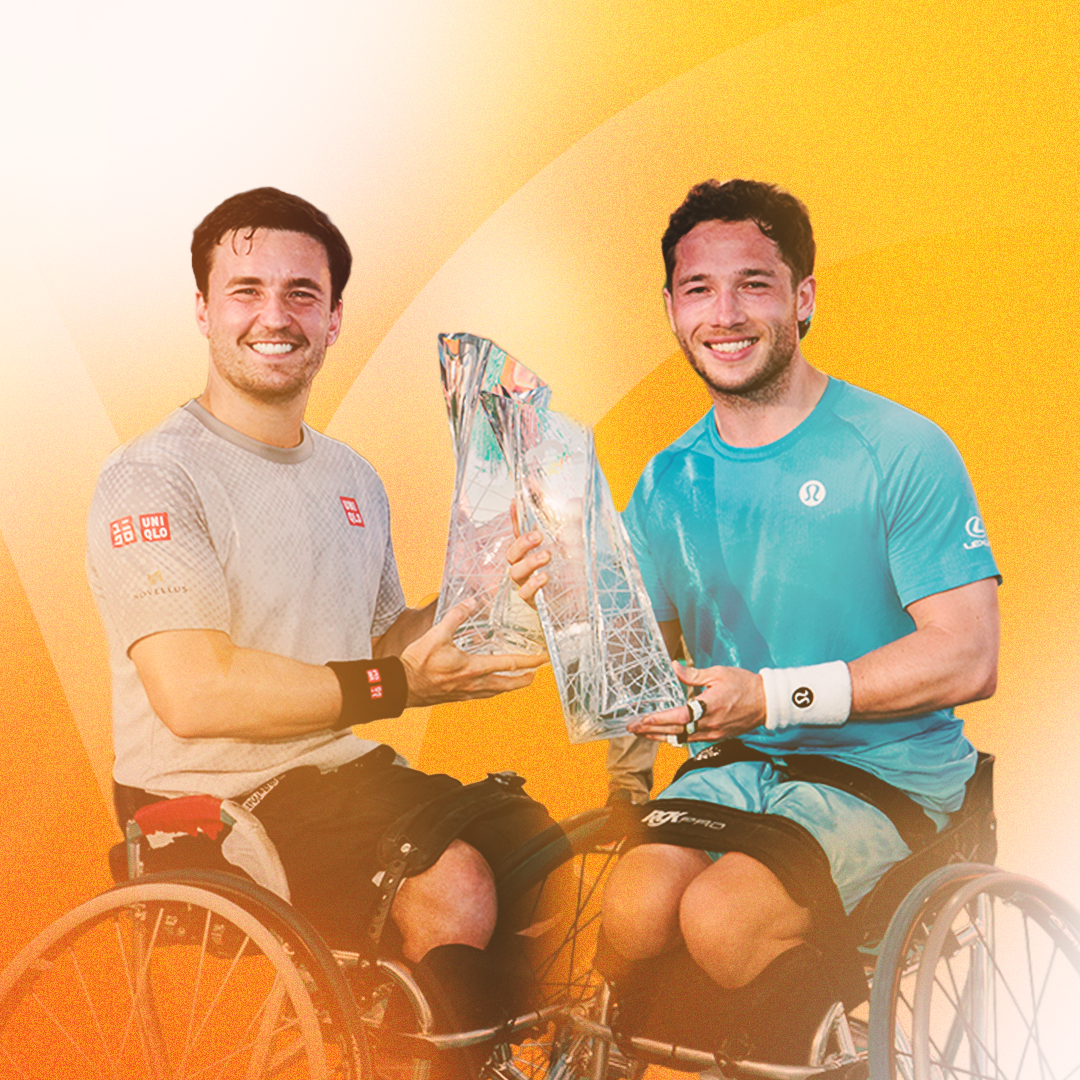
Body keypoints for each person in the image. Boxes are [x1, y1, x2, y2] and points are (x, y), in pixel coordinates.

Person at [508, 178, 1000, 1061]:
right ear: (670, 308)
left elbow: (966, 657)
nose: (724, 314)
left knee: (724, 918)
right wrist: (565, 600)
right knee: (631, 904)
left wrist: (772, 697)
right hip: (735, 762)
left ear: (802, 298)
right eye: (699, 289)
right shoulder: (667, 479)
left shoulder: (897, 449)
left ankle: (844, 1057)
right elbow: (638, 670)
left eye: (754, 284)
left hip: (888, 768)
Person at [86, 187, 551, 1037]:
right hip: (205, 801)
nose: (276, 314)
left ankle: (430, 1047)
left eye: (303, 294)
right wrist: (401, 685)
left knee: (540, 848)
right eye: (247, 290)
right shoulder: (153, 477)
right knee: (456, 883)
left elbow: (377, 644)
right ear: (202, 309)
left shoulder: (350, 477)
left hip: (338, 776)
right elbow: (196, 695)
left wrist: (483, 603)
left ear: (335, 318)